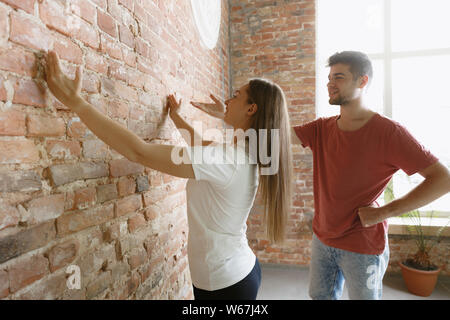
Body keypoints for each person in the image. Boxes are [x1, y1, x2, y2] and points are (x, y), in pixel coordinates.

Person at [44, 50, 293, 300]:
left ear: (251, 108)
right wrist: (177, 117)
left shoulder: (229, 159)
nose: (228, 99)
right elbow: (203, 146)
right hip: (238, 272)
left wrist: (77, 103)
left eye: (235, 96)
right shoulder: (246, 152)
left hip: (225, 284)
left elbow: (138, 151)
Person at [292, 51, 450, 300]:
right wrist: (232, 119)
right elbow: (277, 137)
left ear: (362, 81)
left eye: (339, 77)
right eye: (330, 77)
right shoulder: (321, 128)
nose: (330, 83)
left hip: (362, 246)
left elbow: (443, 179)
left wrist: (383, 212)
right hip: (322, 239)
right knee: (319, 296)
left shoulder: (389, 133)